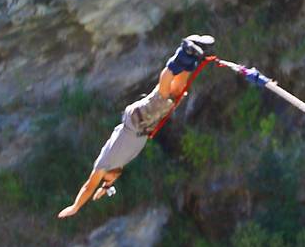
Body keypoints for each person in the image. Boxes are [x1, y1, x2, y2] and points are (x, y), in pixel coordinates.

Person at [59, 35, 214, 219]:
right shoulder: (117, 165)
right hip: (143, 124)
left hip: (137, 121)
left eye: (108, 182)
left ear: (104, 175)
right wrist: (105, 189)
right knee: (175, 93)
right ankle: (192, 57)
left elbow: (88, 187)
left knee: (163, 95)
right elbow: (111, 177)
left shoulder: (103, 165)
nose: (112, 181)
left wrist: (76, 206)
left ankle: (182, 54)